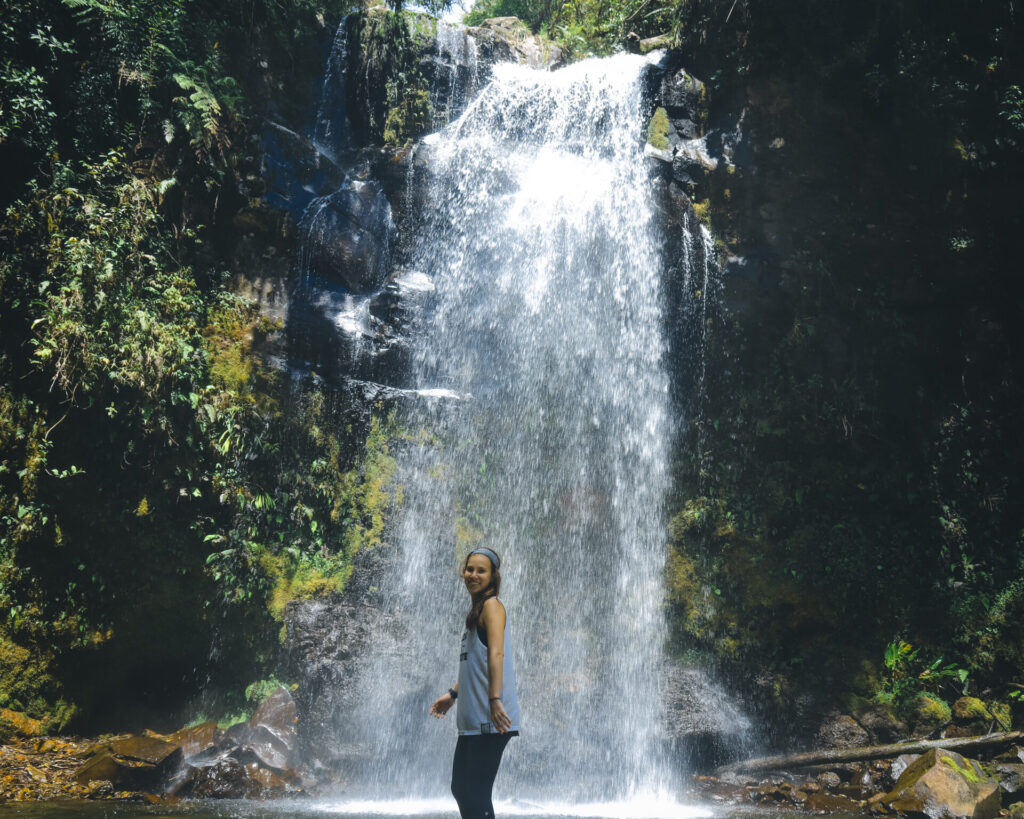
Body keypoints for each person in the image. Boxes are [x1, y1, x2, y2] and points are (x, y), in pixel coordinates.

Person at [429, 547, 520, 819]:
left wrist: (495, 700)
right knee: (462, 789)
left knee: (476, 794)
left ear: (493, 577)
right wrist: (452, 693)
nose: (473, 575)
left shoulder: (492, 606)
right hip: (475, 720)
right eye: (470, 569)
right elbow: (477, 663)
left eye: (481, 570)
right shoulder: (476, 611)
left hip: (491, 718)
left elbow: (496, 654)